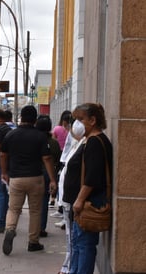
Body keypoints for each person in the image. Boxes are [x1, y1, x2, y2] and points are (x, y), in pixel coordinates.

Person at [62, 103, 112, 274]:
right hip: (85, 202)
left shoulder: (95, 143)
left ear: (93, 120)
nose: (77, 123)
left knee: (84, 245)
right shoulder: (89, 140)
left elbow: (92, 177)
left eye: (80, 119)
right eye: (76, 119)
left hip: (89, 203)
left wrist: (80, 200)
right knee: (79, 243)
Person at [0, 105, 57, 255]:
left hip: (16, 178)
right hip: (35, 178)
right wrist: (52, 179)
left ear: (21, 118)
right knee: (35, 211)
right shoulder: (40, 136)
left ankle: (10, 229)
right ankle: (33, 242)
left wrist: (4, 172)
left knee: (13, 209)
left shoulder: (11, 135)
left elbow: (3, 155)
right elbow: (46, 158)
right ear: (34, 119)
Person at [57, 120, 86, 274]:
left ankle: (69, 266)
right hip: (69, 199)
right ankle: (69, 265)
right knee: (72, 237)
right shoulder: (77, 144)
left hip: (74, 199)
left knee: (75, 238)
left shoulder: (83, 145)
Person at [35, 115, 61, 238]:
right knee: (44, 200)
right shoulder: (54, 143)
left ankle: (34, 227)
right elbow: (57, 159)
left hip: (34, 173)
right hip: (49, 174)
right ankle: (41, 228)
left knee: (34, 202)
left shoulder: (35, 140)